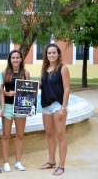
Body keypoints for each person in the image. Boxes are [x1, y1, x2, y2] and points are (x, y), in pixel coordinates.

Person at [38, 43, 70, 176]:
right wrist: (39, 85)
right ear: (46, 55)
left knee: (60, 135)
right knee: (49, 134)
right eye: (49, 53)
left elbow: (67, 89)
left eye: (53, 53)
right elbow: (46, 86)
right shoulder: (45, 69)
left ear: (58, 54)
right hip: (46, 105)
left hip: (58, 105)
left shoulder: (63, 68)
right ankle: (51, 162)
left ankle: (61, 166)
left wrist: (63, 108)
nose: (51, 55)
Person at [1, 50, 30, 172]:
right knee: (6, 136)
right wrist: (8, 93)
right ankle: (6, 162)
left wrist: (29, 107)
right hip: (7, 107)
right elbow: (0, 91)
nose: (15, 60)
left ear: (21, 59)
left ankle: (18, 161)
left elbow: (29, 92)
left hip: (20, 107)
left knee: (20, 135)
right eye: (13, 58)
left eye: (17, 58)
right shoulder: (4, 73)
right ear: (10, 59)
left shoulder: (25, 73)